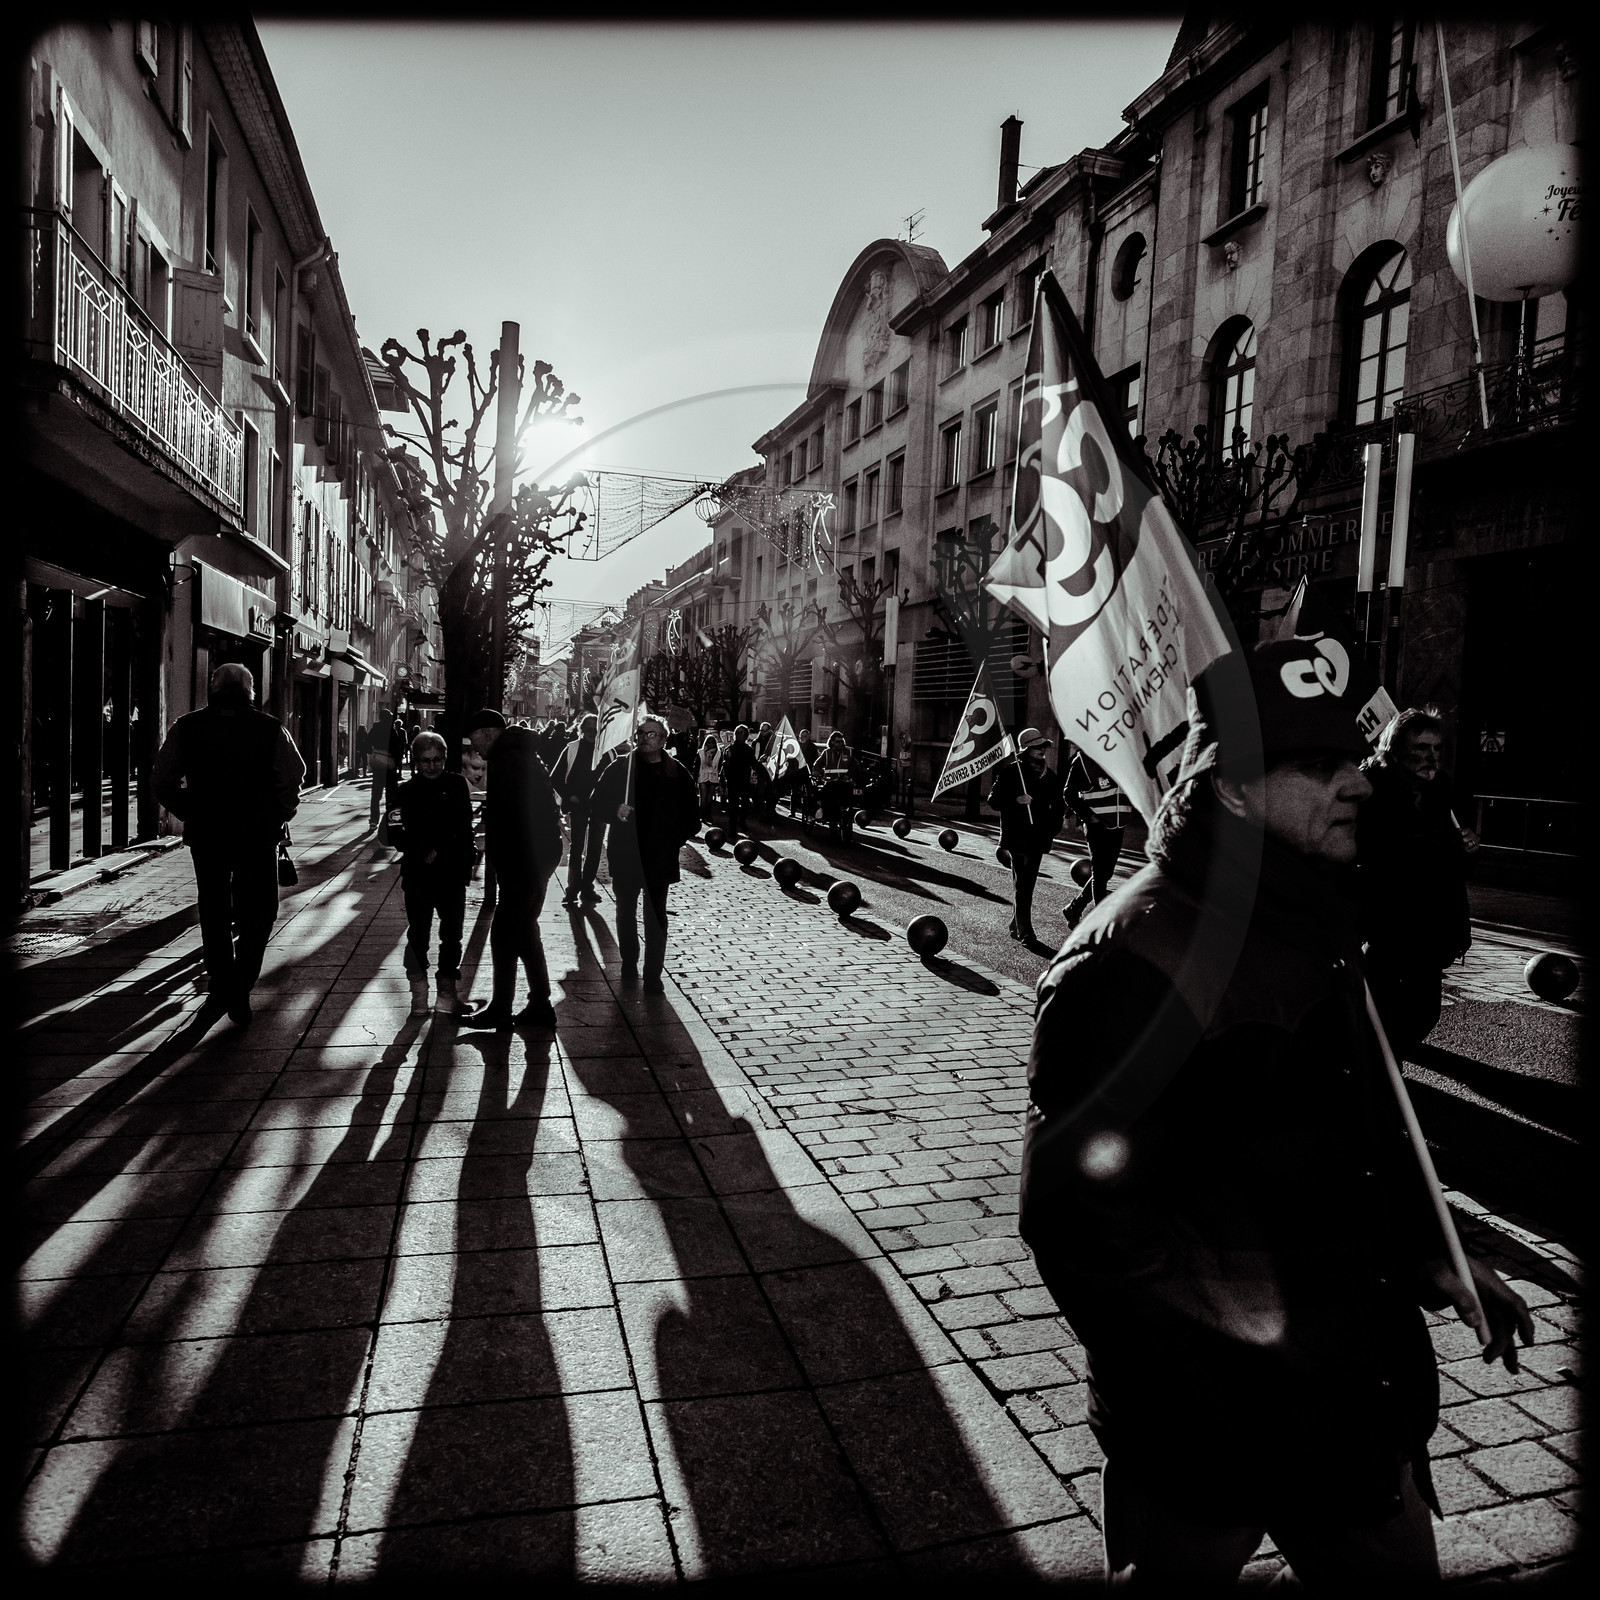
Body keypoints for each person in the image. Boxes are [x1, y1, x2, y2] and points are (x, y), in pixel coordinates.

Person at [1020, 640, 1533, 1590]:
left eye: (1353, 760)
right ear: (1234, 789)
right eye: (1315, 766)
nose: (1356, 784)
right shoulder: (1130, 961)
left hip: (1353, 1401)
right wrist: (1204, 1410)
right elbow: (1084, 1226)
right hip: (1213, 1436)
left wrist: (1438, 1253)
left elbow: (1368, 1129)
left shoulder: (1322, 921)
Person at [152, 663, 305, 1026]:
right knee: (261, 912)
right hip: (257, 835)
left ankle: (223, 983)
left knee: (215, 911)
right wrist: (280, 813)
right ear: (250, 691)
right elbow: (293, 774)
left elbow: (162, 778)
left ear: (212, 688)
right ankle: (241, 983)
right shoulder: (270, 728)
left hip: (208, 835)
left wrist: (188, 809)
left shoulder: (187, 726)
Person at [1357, 706, 1479, 1059]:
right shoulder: (1370, 789)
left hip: (1434, 918)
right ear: (1394, 749)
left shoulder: (1441, 789)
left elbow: (1454, 866)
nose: (1432, 757)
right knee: (1382, 1007)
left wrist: (1467, 849)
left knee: (1424, 1011)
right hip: (1387, 918)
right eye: (1421, 748)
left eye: (1437, 748)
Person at [459, 708, 564, 1030]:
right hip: (538, 855)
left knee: (505, 933)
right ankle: (540, 1004)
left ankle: (502, 1009)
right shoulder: (520, 753)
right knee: (524, 930)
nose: (475, 749)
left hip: (526, 859)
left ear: (489, 733)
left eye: (477, 741)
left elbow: (518, 815)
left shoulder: (509, 759)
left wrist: (494, 841)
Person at [591, 716, 701, 993]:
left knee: (655, 915)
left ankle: (653, 973)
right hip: (626, 852)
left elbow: (693, 818)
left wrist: (672, 839)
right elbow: (597, 802)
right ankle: (629, 961)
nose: (644, 737)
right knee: (625, 912)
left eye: (652, 733)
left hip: (659, 856)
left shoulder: (677, 772)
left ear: (664, 739)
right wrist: (615, 809)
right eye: (641, 732)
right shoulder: (621, 768)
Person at [386, 730, 474, 1016]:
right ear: (416, 761)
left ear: (445, 758)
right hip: (419, 875)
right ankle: (419, 994)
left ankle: (447, 995)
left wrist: (445, 850)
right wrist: (424, 848)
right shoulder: (405, 790)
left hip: (450, 874)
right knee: (418, 935)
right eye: (425, 760)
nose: (431, 765)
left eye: (437, 759)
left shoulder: (457, 784)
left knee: (452, 936)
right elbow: (395, 831)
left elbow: (464, 826)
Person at [985, 728, 1066, 944]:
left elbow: (1059, 805)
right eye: (1038, 747)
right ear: (1026, 749)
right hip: (1017, 836)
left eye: (1043, 747)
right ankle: (1026, 931)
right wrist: (1015, 800)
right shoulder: (1011, 772)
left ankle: (1016, 923)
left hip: (1039, 836)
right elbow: (993, 800)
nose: (1042, 750)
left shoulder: (1050, 775)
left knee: (1026, 883)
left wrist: (1052, 828)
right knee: (1023, 883)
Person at [549, 712, 611, 907]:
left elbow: (615, 779)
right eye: (588, 730)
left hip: (600, 807)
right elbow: (555, 777)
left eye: (595, 730)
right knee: (577, 848)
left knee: (594, 849)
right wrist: (570, 796)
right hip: (579, 806)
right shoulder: (572, 749)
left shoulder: (607, 752)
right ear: (581, 730)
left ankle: (587, 887)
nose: (592, 733)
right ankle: (572, 889)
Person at [1062, 747, 1127, 929]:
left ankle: (1075, 907)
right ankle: (1101, 923)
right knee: (1099, 874)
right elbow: (1068, 793)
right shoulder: (1083, 760)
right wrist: (1086, 815)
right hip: (1096, 825)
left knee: (1106, 873)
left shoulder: (1122, 756)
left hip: (1118, 822)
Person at [719, 723, 759, 840]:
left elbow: (753, 763)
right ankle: (732, 828)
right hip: (733, 780)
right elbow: (725, 766)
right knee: (733, 805)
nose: (738, 735)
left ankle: (742, 821)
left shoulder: (749, 750)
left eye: (740, 733)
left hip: (744, 780)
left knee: (745, 804)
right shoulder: (729, 749)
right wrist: (727, 762)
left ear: (746, 735)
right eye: (736, 732)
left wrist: (759, 764)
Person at [697, 732, 722, 817]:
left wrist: (720, 780)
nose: (711, 744)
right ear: (706, 743)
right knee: (703, 799)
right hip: (702, 777)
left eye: (712, 742)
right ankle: (702, 816)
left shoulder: (719, 753)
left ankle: (708, 815)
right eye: (709, 742)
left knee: (709, 799)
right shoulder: (700, 752)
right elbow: (696, 766)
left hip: (713, 777)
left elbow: (720, 766)